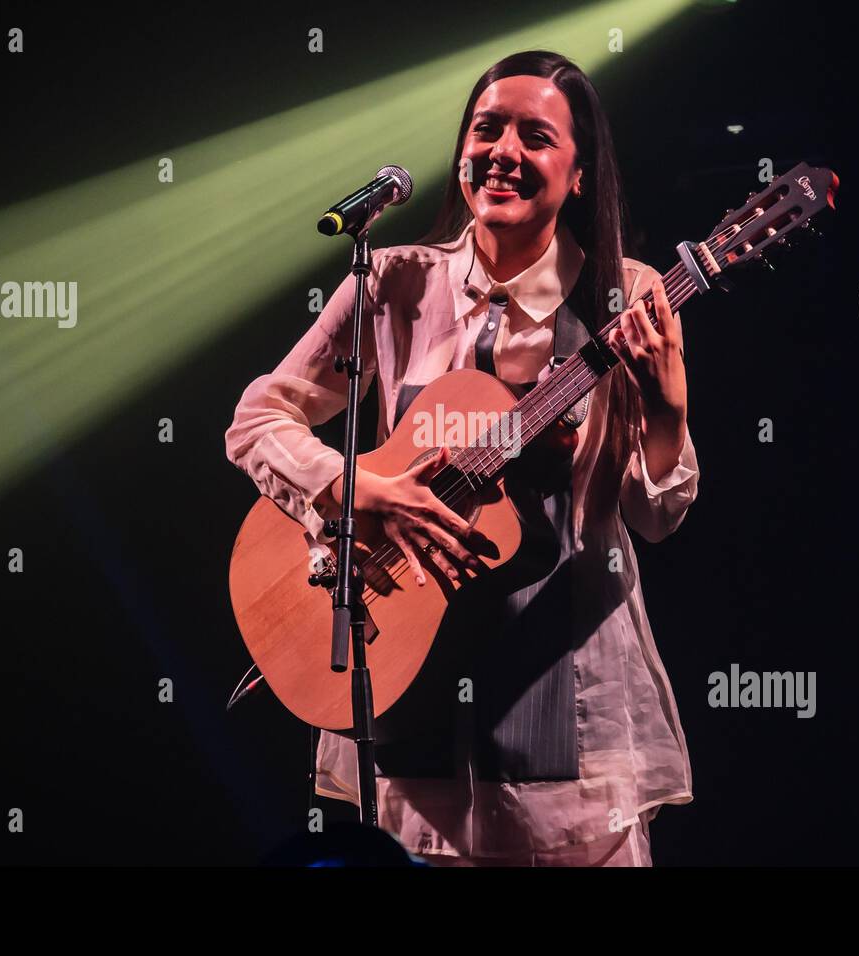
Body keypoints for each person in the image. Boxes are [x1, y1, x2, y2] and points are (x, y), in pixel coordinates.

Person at [225, 50, 699, 867]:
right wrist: (356, 489)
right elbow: (257, 417)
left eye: (536, 136)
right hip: (412, 693)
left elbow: (655, 517)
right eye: (487, 129)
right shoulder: (394, 285)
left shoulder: (624, 297)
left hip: (563, 710)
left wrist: (667, 407)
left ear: (580, 173)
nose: (504, 151)